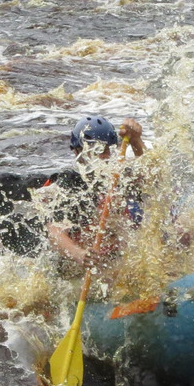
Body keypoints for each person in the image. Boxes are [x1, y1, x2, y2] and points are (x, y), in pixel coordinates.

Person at [44, 114, 147, 270]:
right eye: (96, 149)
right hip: (74, 266)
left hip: (113, 259)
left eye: (106, 149)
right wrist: (79, 255)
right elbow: (55, 232)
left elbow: (150, 180)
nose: (103, 156)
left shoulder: (118, 176)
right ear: (77, 152)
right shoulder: (70, 183)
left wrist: (136, 142)